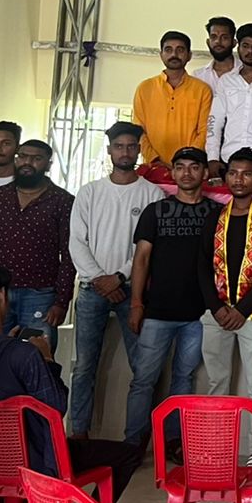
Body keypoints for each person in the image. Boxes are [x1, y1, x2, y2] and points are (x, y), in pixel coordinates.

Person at [0, 263, 143, 502]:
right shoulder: (23, 354)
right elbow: (56, 407)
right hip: (35, 463)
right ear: (2, 296)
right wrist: (47, 359)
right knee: (128, 455)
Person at [66, 122, 163, 437]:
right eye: (119, 146)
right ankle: (78, 434)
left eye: (131, 146)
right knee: (83, 366)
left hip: (133, 291)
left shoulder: (152, 193)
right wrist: (100, 279)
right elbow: (76, 242)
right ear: (109, 150)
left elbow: (149, 247)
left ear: (138, 150)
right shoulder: (90, 192)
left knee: (142, 367)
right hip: (92, 290)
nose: (125, 152)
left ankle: (135, 440)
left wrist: (120, 276)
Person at [124, 147, 219, 459]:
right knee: (143, 381)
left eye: (194, 167)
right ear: (173, 172)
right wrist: (136, 304)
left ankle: (173, 443)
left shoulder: (217, 213)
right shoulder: (156, 211)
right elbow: (141, 259)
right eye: (180, 167)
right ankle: (132, 445)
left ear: (205, 173)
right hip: (157, 312)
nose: (187, 173)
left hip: (199, 314)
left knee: (183, 379)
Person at [197, 148, 252, 467]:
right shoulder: (214, 217)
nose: (239, 179)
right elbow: (202, 265)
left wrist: (243, 309)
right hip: (216, 314)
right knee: (217, 383)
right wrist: (217, 307)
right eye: (233, 173)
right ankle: (216, 449)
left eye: (246, 174)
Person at [0, 139, 74, 349]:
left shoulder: (62, 201)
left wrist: (61, 301)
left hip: (41, 294)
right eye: (23, 156)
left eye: (36, 158)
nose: (28, 162)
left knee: (37, 356)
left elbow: (69, 254)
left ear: (48, 164)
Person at [132, 31, 212, 167]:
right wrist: (154, 160)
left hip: (190, 168)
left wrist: (185, 161)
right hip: (153, 167)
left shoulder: (202, 90)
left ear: (189, 55)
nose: (174, 54)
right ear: (161, 54)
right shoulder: (145, 88)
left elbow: (205, 131)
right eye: (168, 50)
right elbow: (138, 130)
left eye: (180, 50)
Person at [205, 23, 252, 179]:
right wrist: (212, 158)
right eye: (245, 46)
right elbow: (215, 121)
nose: (250, 51)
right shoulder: (226, 81)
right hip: (228, 159)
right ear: (238, 47)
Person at [193, 16, 237, 90]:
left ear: (234, 42)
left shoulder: (245, 72)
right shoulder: (198, 76)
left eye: (224, 37)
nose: (218, 41)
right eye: (213, 37)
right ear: (208, 42)